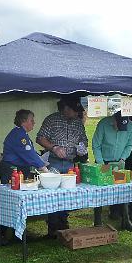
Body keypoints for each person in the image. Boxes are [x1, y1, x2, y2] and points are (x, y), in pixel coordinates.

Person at [36, 96, 89, 236]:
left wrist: (82, 148)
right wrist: (54, 148)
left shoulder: (78, 123)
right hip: (54, 162)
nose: (77, 113)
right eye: (74, 110)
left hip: (70, 163)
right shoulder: (51, 119)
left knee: (68, 193)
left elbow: (84, 140)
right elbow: (40, 138)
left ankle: (64, 222)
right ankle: (53, 225)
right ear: (66, 108)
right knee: (53, 194)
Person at [92, 111, 132, 231]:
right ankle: (97, 221)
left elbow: (129, 145)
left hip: (119, 162)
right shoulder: (103, 123)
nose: (120, 129)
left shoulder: (131, 126)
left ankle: (126, 220)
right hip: (103, 161)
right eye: (118, 126)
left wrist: (123, 158)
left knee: (123, 190)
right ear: (114, 121)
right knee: (100, 191)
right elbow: (96, 145)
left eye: (123, 128)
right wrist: (101, 164)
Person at [0, 109, 48, 184]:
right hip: (12, 169)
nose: (34, 123)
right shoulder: (19, 135)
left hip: (17, 168)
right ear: (23, 121)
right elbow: (28, 153)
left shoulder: (20, 133)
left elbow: (31, 152)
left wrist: (40, 161)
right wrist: (42, 167)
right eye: (31, 120)